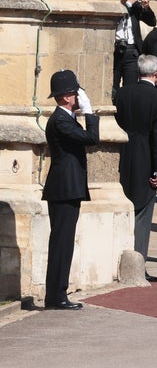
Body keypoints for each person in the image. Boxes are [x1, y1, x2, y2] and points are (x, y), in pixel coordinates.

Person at [42, 70, 99, 310]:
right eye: (76, 93)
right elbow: (92, 138)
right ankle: (56, 296)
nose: (79, 96)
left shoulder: (65, 119)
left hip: (67, 189)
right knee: (61, 243)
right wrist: (89, 113)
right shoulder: (61, 121)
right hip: (64, 189)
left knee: (63, 243)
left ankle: (57, 294)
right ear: (67, 97)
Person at [115, 54, 157, 282]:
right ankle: (138, 265)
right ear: (156, 74)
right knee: (143, 215)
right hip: (146, 158)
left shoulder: (123, 93)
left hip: (123, 155)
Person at [112, 0, 156, 103]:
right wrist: (128, 4)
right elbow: (118, 19)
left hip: (132, 52)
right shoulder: (115, 5)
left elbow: (152, 22)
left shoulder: (134, 7)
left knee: (130, 87)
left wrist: (146, 8)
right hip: (115, 51)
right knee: (112, 85)